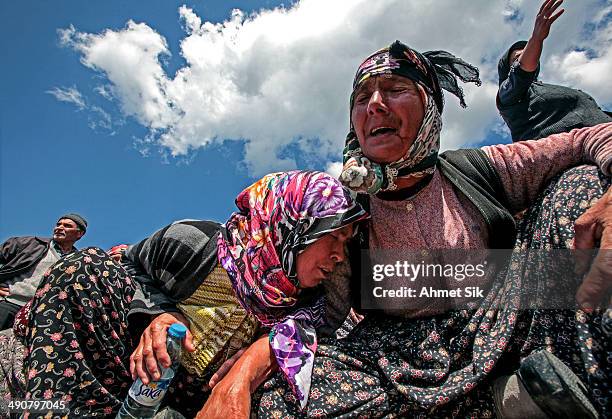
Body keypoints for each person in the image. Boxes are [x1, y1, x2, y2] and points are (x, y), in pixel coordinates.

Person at [199, 40, 612, 418]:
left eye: (396, 88)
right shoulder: (349, 222)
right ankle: (504, 400)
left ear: (429, 106)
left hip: (506, 315)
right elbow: (321, 320)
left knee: (580, 186)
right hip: (409, 359)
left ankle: (587, 385)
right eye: (361, 98)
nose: (375, 104)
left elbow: (591, 136)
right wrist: (247, 370)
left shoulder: (475, 171)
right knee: (281, 401)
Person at [13, 171, 367, 418]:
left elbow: (325, 327)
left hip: (195, 393)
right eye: (331, 237)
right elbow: (129, 265)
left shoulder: (305, 303)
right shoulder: (193, 241)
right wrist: (160, 313)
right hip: (138, 359)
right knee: (85, 266)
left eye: (345, 244)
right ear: (290, 224)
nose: (338, 256)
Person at [497, 0, 611, 142]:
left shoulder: (546, 89)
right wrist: (536, 38)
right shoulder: (508, 94)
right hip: (573, 147)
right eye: (516, 58)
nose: (524, 56)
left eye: (526, 52)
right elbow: (520, 73)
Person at [0, 213, 87, 330]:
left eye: (67, 226)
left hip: (41, 315)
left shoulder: (76, 262)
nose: (59, 228)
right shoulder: (29, 244)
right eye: (58, 224)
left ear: (79, 234)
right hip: (10, 302)